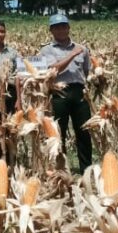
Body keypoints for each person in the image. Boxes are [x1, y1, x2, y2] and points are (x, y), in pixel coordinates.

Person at [37, 14, 93, 173]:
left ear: (68, 28)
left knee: (83, 130)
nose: (61, 30)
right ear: (51, 30)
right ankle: (61, 168)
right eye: (56, 27)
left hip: (78, 91)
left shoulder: (83, 49)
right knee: (58, 131)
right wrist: (72, 54)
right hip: (58, 93)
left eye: (63, 26)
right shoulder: (46, 50)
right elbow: (53, 70)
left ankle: (86, 168)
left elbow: (86, 70)